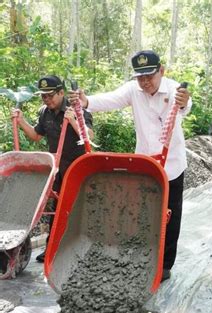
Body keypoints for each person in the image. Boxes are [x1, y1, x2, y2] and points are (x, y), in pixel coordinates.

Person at [70, 50, 192, 280]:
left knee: (171, 215)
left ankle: (165, 264)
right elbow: (110, 99)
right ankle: (140, 255)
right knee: (142, 212)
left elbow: (185, 105)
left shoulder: (174, 89)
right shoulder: (133, 90)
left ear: (161, 71)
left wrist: (184, 103)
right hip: (145, 164)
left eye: (149, 76)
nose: (144, 82)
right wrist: (86, 102)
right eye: (140, 77)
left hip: (172, 163)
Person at [12, 75, 94, 263]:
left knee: (77, 209)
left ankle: (80, 250)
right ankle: (52, 248)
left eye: (50, 96)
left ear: (61, 92)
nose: (47, 100)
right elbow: (36, 136)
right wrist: (21, 121)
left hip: (78, 168)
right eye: (43, 97)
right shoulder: (44, 112)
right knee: (56, 208)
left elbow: (90, 137)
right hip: (57, 168)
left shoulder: (77, 108)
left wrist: (74, 120)